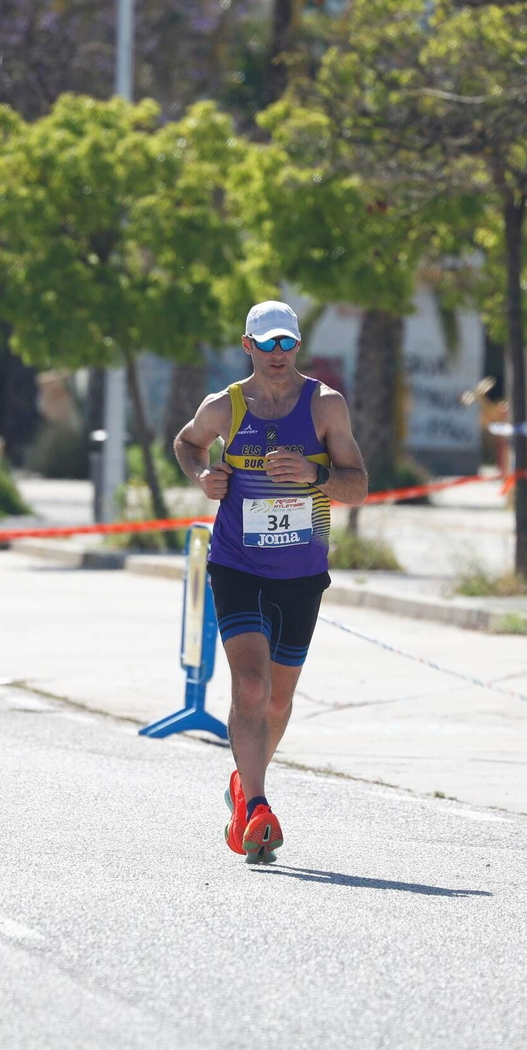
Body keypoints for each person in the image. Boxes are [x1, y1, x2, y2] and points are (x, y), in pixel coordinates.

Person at [173, 300, 368, 863]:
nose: (277, 353)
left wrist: (316, 474)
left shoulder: (325, 405)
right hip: (237, 565)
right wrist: (203, 476)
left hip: (301, 574)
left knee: (279, 701)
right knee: (252, 687)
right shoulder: (226, 406)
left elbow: (358, 487)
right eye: (267, 343)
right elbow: (186, 442)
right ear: (248, 346)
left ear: (297, 345)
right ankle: (258, 806)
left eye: (286, 342)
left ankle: (243, 784)